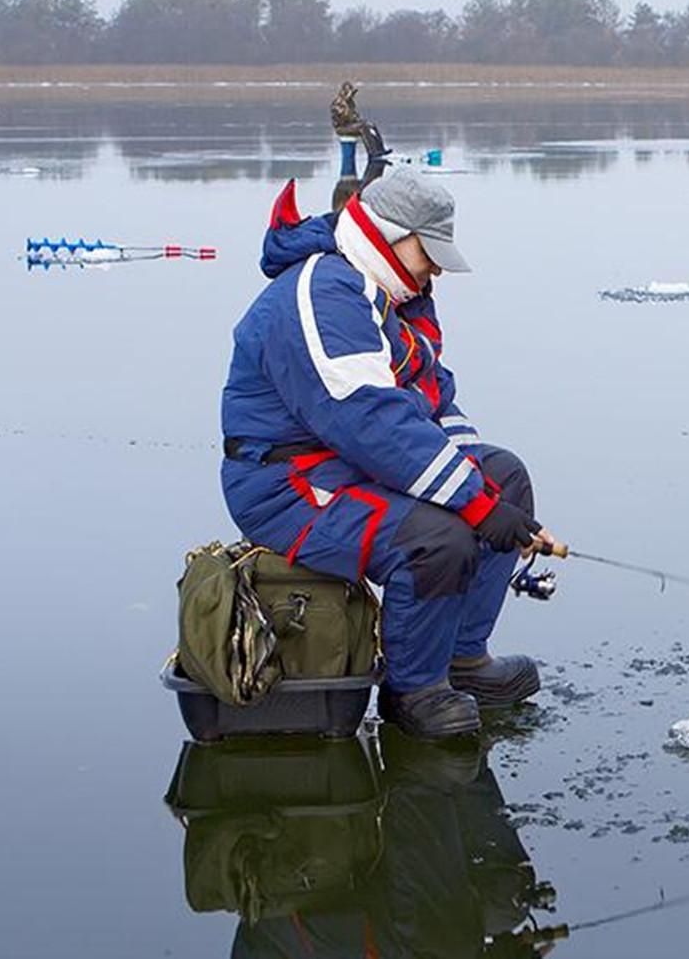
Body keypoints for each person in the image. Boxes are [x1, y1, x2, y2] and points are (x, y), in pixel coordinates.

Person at [220, 168, 549, 738]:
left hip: (352, 464)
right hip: (287, 484)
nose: (438, 268)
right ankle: (413, 689)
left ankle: (461, 659)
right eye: (431, 252)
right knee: (434, 539)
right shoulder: (324, 293)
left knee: (505, 478)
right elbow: (372, 422)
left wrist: (486, 494)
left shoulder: (394, 296)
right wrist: (473, 506)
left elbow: (433, 404)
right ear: (391, 236)